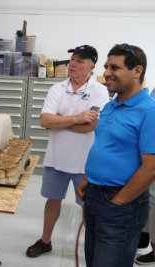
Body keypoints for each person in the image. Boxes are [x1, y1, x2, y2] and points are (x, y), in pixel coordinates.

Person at [26, 45, 109, 258]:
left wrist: (59, 121)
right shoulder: (57, 89)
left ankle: (91, 246)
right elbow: (45, 120)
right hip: (57, 158)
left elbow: (91, 126)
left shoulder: (99, 90)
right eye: (72, 59)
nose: (72, 64)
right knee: (52, 200)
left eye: (80, 61)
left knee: (87, 206)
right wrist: (76, 118)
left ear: (91, 67)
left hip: (85, 162)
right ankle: (45, 241)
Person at [77, 43, 155, 267]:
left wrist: (118, 202)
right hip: (94, 195)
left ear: (137, 71)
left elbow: (151, 167)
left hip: (122, 202)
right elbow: (103, 145)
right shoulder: (111, 106)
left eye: (115, 67)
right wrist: (87, 178)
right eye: (106, 67)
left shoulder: (149, 111)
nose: (106, 73)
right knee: (94, 260)